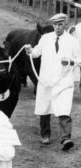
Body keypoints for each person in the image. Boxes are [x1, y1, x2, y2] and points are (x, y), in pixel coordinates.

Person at [25, 12, 81, 150]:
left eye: (60, 24)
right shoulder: (45, 38)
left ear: (65, 24)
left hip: (63, 80)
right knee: (44, 107)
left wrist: (70, 61)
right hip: (46, 79)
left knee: (64, 108)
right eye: (55, 24)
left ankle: (65, 138)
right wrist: (29, 50)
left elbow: (79, 59)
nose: (57, 27)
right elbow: (36, 53)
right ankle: (45, 135)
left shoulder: (72, 41)